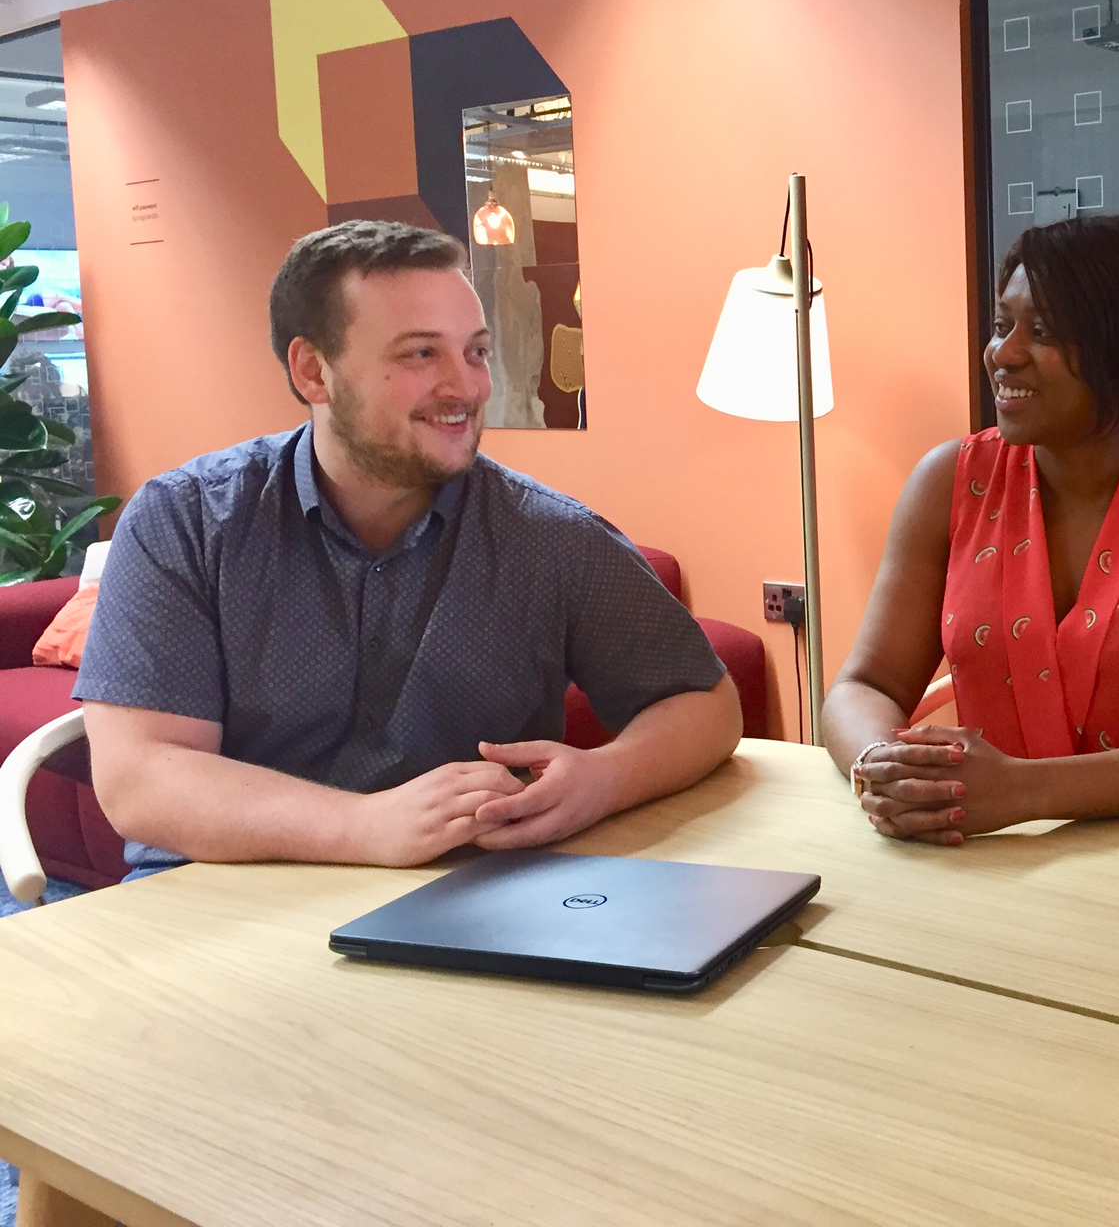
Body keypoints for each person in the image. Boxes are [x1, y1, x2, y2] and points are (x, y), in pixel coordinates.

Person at [76, 220, 741, 874]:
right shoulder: (187, 521)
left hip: (453, 906)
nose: (466, 387)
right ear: (314, 371)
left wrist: (604, 777)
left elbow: (705, 705)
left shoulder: (547, 536)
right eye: (421, 353)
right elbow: (141, 778)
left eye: (476, 351)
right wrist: (365, 826)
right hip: (216, 907)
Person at [822, 215, 1119, 843]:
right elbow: (865, 684)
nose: (1004, 352)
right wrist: (888, 770)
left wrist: (1023, 790)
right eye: (1002, 325)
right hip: (995, 855)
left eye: (1041, 331)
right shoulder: (951, 480)